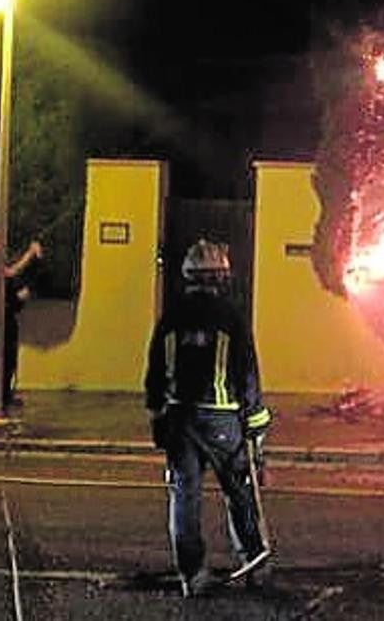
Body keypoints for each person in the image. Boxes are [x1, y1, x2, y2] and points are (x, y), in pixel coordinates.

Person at [144, 239, 273, 597]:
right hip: (222, 421)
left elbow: (155, 371)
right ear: (222, 277)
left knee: (185, 496)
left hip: (180, 420)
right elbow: (247, 373)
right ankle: (253, 562)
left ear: (188, 276)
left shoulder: (170, 317)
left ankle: (192, 574)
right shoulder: (232, 318)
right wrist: (256, 425)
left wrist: (157, 414)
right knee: (239, 492)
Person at [0, 232, 42, 416]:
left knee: (9, 358)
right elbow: (9, 273)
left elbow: (9, 285)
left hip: (7, 317)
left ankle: (4, 395)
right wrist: (29, 253)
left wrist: (18, 298)